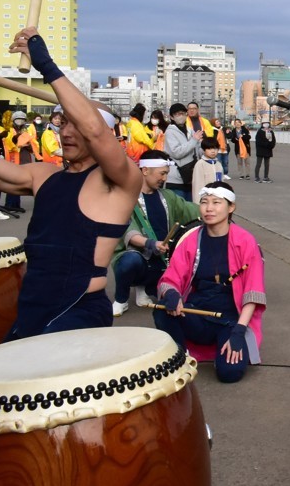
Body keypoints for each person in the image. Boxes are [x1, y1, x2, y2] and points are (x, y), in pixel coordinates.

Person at [0, 28, 139, 338]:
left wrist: (46, 66)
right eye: (62, 122)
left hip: (78, 309)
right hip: (32, 302)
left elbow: (94, 129)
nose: (66, 133)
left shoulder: (120, 181)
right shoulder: (44, 175)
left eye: (74, 124)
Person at [155, 181, 267, 384]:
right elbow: (171, 277)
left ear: (231, 207)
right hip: (197, 314)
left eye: (216, 202)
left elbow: (253, 291)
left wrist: (239, 331)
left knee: (229, 373)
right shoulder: (191, 240)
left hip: (230, 320)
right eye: (204, 202)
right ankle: (179, 356)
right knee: (162, 308)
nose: (209, 208)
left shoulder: (245, 241)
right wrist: (172, 294)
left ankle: (222, 349)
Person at [110, 151, 200, 317]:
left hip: (162, 260)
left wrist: (213, 208)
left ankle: (143, 288)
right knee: (130, 261)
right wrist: (151, 243)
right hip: (140, 257)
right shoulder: (128, 197)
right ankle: (121, 299)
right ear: (145, 171)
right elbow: (129, 230)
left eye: (166, 174)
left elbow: (190, 210)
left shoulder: (168, 196)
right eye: (162, 173)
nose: (165, 179)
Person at [162, 102, 199, 199]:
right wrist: (194, 140)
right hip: (176, 178)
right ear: (172, 117)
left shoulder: (190, 130)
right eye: (178, 114)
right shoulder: (170, 132)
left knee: (190, 209)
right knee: (179, 210)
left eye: (183, 113)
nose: (181, 116)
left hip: (190, 176)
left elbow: (196, 150)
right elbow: (176, 153)